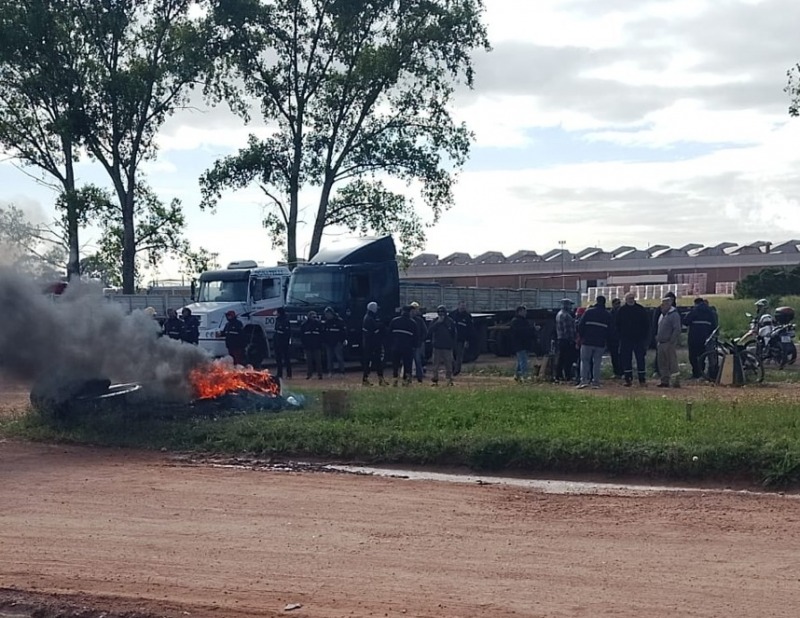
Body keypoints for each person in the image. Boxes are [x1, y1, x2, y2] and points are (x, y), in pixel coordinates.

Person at [576, 295, 613, 389]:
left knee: (585, 361)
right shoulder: (607, 314)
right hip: (600, 343)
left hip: (587, 341)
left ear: (596, 301)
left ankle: (584, 380)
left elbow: (580, 326)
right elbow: (611, 330)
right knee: (597, 362)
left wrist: (582, 336)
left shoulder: (588, 312)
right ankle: (595, 382)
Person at [616, 292, 650, 387]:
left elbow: (646, 324)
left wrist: (645, 338)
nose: (631, 300)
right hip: (625, 339)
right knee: (626, 359)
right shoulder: (621, 310)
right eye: (629, 298)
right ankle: (628, 379)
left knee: (640, 359)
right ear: (626, 300)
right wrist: (620, 336)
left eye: (632, 298)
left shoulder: (640, 309)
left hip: (639, 339)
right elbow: (617, 324)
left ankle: (642, 379)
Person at [684, 297, 717, 379]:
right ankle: (702, 372)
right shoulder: (710, 312)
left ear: (696, 303)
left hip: (694, 336)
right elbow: (714, 325)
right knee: (702, 355)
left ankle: (695, 373)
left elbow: (686, 321)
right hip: (705, 337)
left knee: (693, 356)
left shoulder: (695, 310)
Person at [428, 304, 457, 386]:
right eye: (439, 312)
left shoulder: (450, 321)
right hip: (437, 346)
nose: (441, 314)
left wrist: (452, 345)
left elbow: (454, 333)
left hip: (447, 347)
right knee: (435, 365)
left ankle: (449, 380)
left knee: (448, 365)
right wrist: (438, 323)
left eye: (442, 312)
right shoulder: (435, 321)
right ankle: (435, 379)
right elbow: (430, 331)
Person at [656, 296, 682, 388]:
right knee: (662, 363)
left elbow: (677, 329)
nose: (661, 306)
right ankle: (664, 381)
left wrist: (672, 340)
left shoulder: (674, 315)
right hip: (661, 343)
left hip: (668, 343)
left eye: (663, 304)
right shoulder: (662, 315)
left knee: (672, 363)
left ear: (669, 304)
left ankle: (675, 382)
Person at [389, 306, 417, 386]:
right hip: (407, 348)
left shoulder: (394, 321)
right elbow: (416, 337)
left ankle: (395, 381)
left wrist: (392, 345)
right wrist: (414, 346)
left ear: (402, 312)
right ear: (409, 312)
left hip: (396, 347)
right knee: (407, 366)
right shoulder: (412, 323)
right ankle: (406, 382)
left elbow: (389, 334)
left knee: (395, 366)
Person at [651, 291, 677, 376]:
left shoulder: (674, 313)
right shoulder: (659, 311)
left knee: (671, 359)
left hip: (669, 340)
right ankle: (661, 375)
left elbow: (677, 328)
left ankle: (673, 378)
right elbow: (655, 323)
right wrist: (655, 335)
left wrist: (672, 339)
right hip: (660, 338)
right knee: (660, 358)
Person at [362, 301, 387, 386]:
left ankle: (380, 379)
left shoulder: (370, 317)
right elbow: (375, 329)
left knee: (377, 363)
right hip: (372, 344)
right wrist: (380, 326)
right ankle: (365, 380)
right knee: (370, 363)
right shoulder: (369, 318)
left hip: (373, 344)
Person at [509, 305, 535, 381]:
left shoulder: (522, 320)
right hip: (519, 344)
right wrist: (532, 329)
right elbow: (521, 331)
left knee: (520, 360)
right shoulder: (516, 321)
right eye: (524, 311)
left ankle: (517, 375)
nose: (525, 313)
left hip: (523, 343)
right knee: (523, 360)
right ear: (519, 312)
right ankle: (525, 376)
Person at [554, 299, 576, 382]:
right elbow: (568, 329)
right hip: (566, 340)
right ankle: (567, 376)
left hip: (560, 338)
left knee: (561, 358)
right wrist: (572, 339)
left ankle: (558, 375)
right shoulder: (566, 315)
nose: (571, 307)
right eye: (570, 305)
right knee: (568, 359)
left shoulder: (559, 314)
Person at [449, 300, 474, 376]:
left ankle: (457, 371)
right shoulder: (452, 315)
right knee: (450, 355)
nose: (463, 307)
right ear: (458, 305)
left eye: (464, 306)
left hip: (461, 339)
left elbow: (470, 330)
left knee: (459, 356)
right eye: (461, 305)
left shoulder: (468, 317)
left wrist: (467, 340)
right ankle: (452, 368)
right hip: (451, 339)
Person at [322, 306, 346, 377]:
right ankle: (330, 371)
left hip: (337, 343)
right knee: (329, 358)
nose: (327, 315)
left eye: (328, 314)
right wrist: (324, 341)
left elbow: (343, 332)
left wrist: (341, 341)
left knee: (339, 357)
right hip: (328, 343)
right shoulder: (326, 322)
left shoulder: (339, 321)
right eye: (326, 314)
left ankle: (342, 372)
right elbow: (324, 333)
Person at [300, 310, 324, 379]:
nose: (314, 317)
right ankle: (309, 374)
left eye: (314, 316)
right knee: (309, 362)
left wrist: (320, 344)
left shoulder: (318, 324)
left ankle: (320, 374)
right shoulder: (304, 325)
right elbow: (302, 336)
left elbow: (321, 335)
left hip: (317, 346)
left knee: (318, 361)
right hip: (308, 346)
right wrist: (304, 345)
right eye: (312, 316)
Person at [410, 302, 428, 383]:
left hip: (418, 343)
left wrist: (421, 340)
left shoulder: (419, 320)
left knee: (418, 359)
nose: (414, 311)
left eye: (415, 309)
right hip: (409, 343)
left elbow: (425, 331)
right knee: (408, 360)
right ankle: (408, 375)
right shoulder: (409, 319)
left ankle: (419, 375)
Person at [273, 307, 292, 379]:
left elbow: (287, 333)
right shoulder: (277, 320)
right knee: (278, 359)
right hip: (277, 342)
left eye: (277, 312)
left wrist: (285, 342)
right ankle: (279, 373)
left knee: (286, 358)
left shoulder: (285, 321)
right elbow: (276, 331)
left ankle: (289, 374)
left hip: (284, 343)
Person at [608, 298, 623, 379]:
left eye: (619, 303)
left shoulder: (622, 312)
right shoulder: (610, 313)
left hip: (620, 337)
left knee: (621, 355)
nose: (618, 305)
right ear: (613, 304)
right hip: (612, 338)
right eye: (617, 303)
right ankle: (617, 372)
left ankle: (622, 371)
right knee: (614, 356)